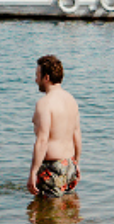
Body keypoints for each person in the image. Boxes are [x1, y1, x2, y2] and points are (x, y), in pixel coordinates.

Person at [28, 55, 82, 198]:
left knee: (47, 216)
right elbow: (77, 135)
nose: (35, 80)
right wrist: (76, 163)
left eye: (37, 75)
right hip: (69, 164)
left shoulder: (44, 103)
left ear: (46, 78)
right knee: (67, 214)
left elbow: (42, 140)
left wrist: (33, 172)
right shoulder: (71, 100)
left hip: (52, 168)